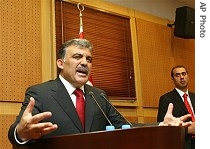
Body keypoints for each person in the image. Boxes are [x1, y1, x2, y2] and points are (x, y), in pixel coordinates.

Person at [8, 39, 192, 146]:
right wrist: (22, 133)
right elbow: (16, 133)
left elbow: (125, 126)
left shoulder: (98, 95)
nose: (85, 63)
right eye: (77, 57)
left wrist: (161, 125)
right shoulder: (40, 93)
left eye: (89, 59)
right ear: (60, 63)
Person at [157, 65, 195, 149]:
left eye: (184, 74)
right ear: (173, 79)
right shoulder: (166, 99)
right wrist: (187, 130)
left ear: (188, 76)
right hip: (183, 143)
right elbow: (163, 126)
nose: (182, 77)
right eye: (177, 75)